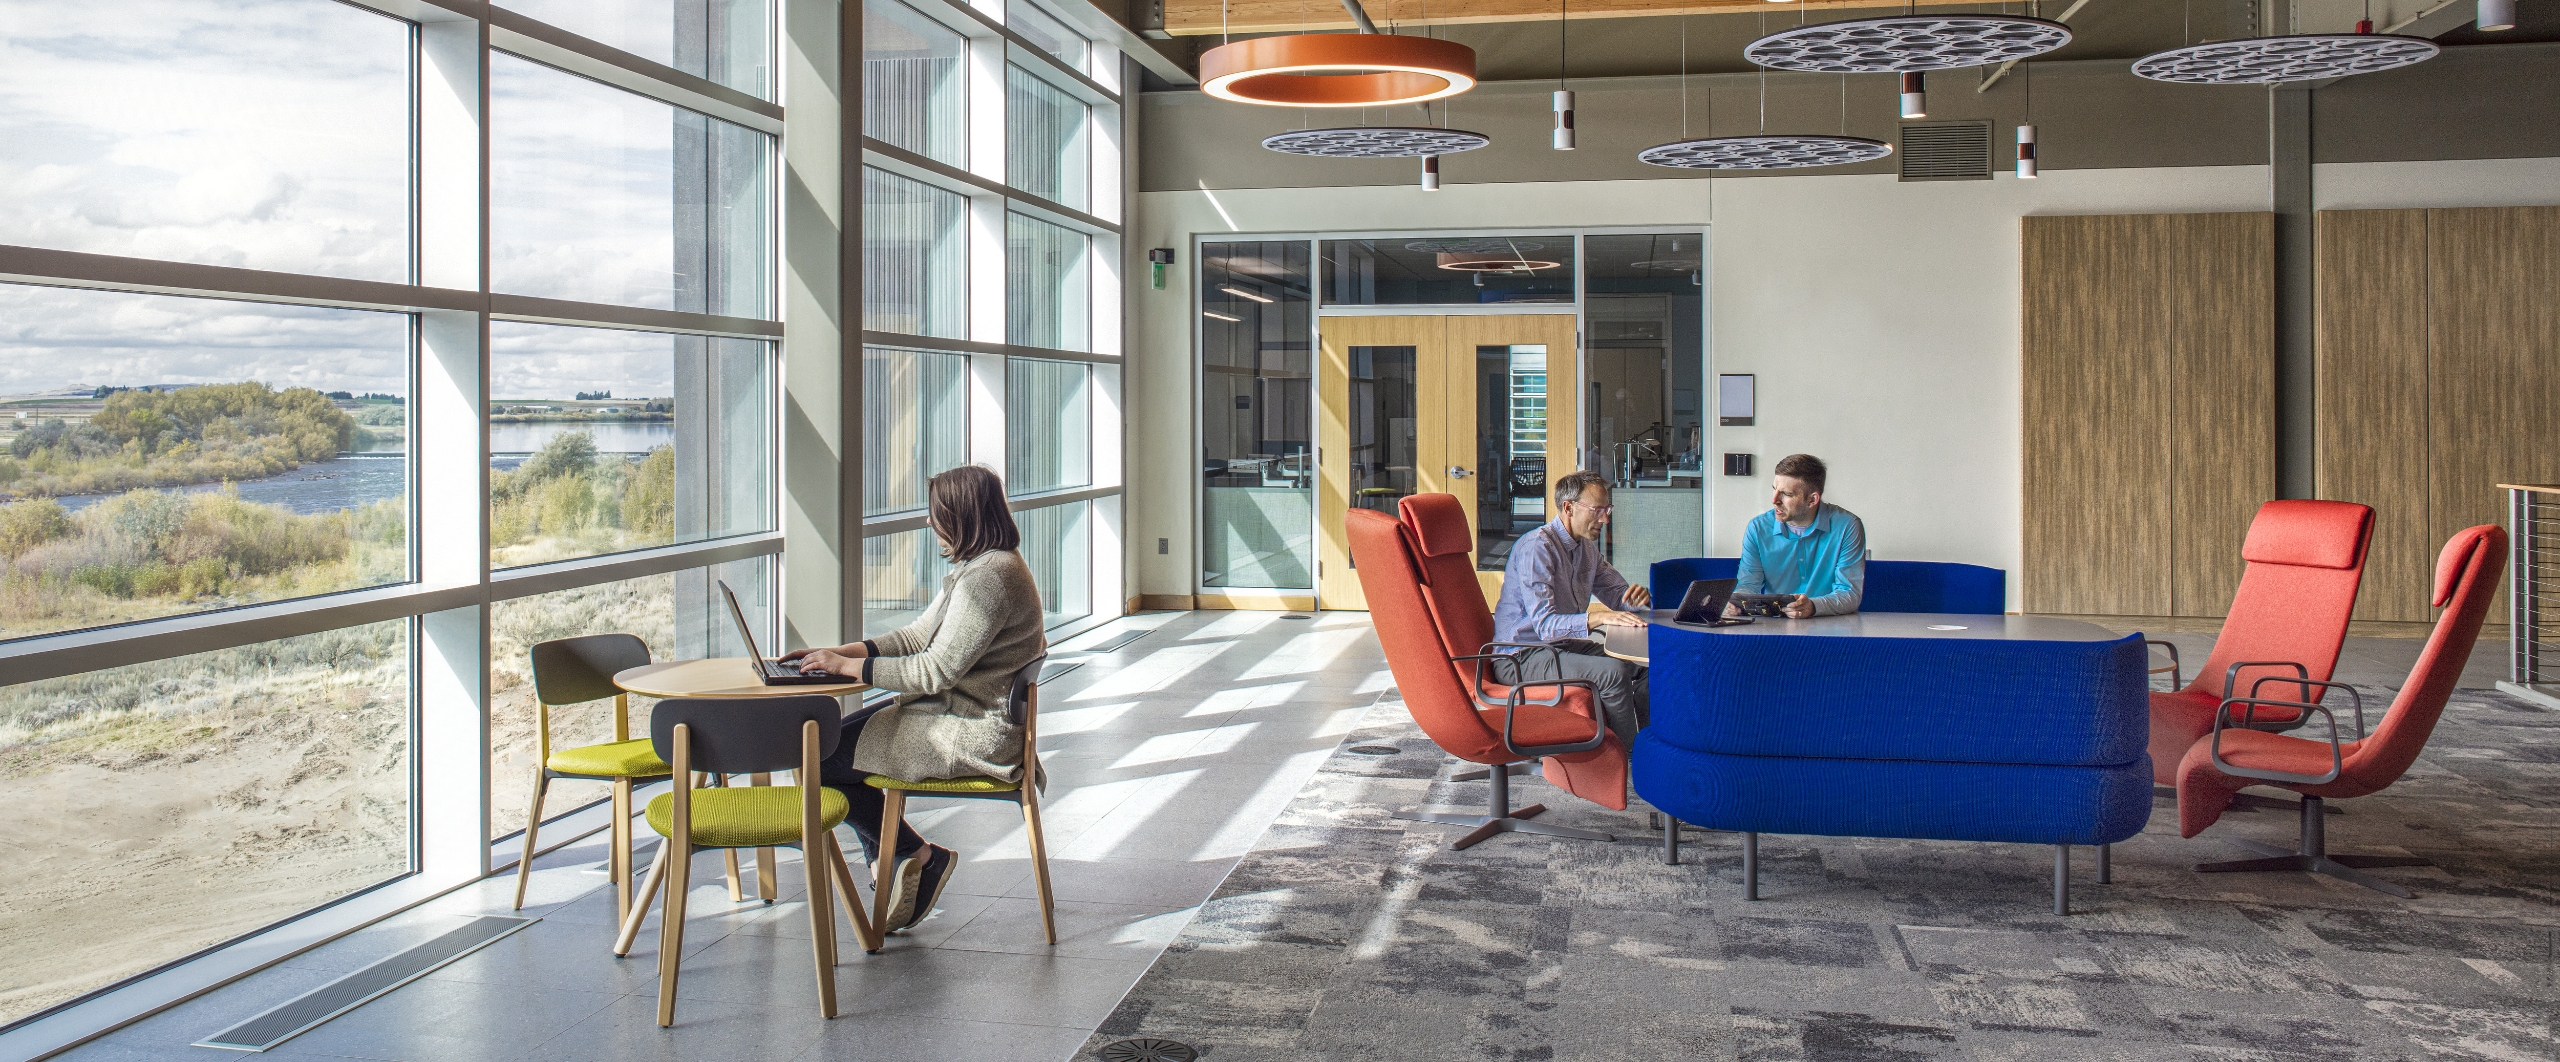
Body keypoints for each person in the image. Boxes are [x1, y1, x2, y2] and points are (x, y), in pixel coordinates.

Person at [783, 465, 1047, 933]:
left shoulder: (990, 578)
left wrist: (847, 669)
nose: (929, 523)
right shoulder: (981, 567)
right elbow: (917, 636)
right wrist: (842, 653)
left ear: (961, 516)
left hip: (971, 731)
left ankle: (912, 857)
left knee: (819, 757)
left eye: (936, 514)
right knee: (825, 749)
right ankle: (901, 862)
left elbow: (934, 671)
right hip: (956, 713)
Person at [1487, 469, 1652, 740]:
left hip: (1560, 647)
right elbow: (1545, 626)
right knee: (1613, 672)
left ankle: (1649, 744)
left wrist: (1636, 599)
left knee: (1652, 667)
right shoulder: (1537, 548)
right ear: (1569, 508)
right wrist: (1598, 618)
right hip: (1521, 657)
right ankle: (1628, 758)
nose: (1606, 519)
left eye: (1607, 509)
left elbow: (1617, 595)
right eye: (1598, 510)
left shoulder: (1586, 549)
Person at [1733, 453, 1866, 619]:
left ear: (1812, 500)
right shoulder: (1757, 528)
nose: (1774, 500)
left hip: (1830, 624)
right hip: (1775, 626)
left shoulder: (1847, 526)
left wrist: (1813, 607)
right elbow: (1748, 586)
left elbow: (1850, 594)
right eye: (1774, 489)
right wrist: (1734, 604)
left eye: (1787, 494)